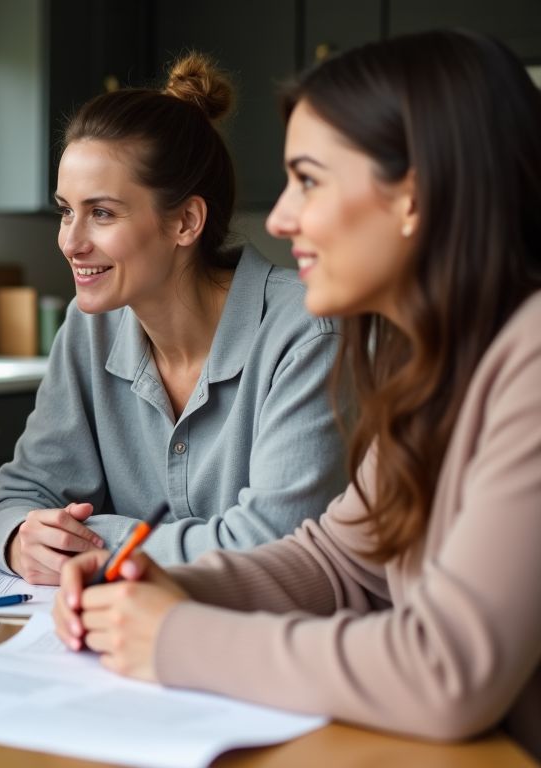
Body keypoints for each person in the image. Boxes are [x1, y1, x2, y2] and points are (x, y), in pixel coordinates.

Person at [54, 30, 541, 757]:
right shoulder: (438, 363)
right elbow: (340, 560)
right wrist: (170, 583)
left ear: (415, 196)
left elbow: (447, 671)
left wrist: (178, 635)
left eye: (309, 180)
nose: (280, 219)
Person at [0, 53, 348, 585]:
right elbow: (18, 498)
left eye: (101, 213)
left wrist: (93, 542)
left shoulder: (307, 332)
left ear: (186, 222)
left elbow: (273, 544)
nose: (70, 241)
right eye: (66, 210)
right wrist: (23, 538)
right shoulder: (88, 329)